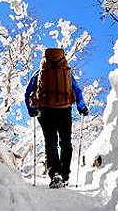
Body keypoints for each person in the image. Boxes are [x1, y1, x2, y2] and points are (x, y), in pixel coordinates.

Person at [24, 48, 89, 188]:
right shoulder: (66, 72)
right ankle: (65, 175)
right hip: (64, 110)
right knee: (66, 142)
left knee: (50, 142)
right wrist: (82, 108)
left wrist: (32, 110)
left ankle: (55, 175)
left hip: (45, 110)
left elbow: (28, 91)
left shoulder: (40, 73)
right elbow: (77, 90)